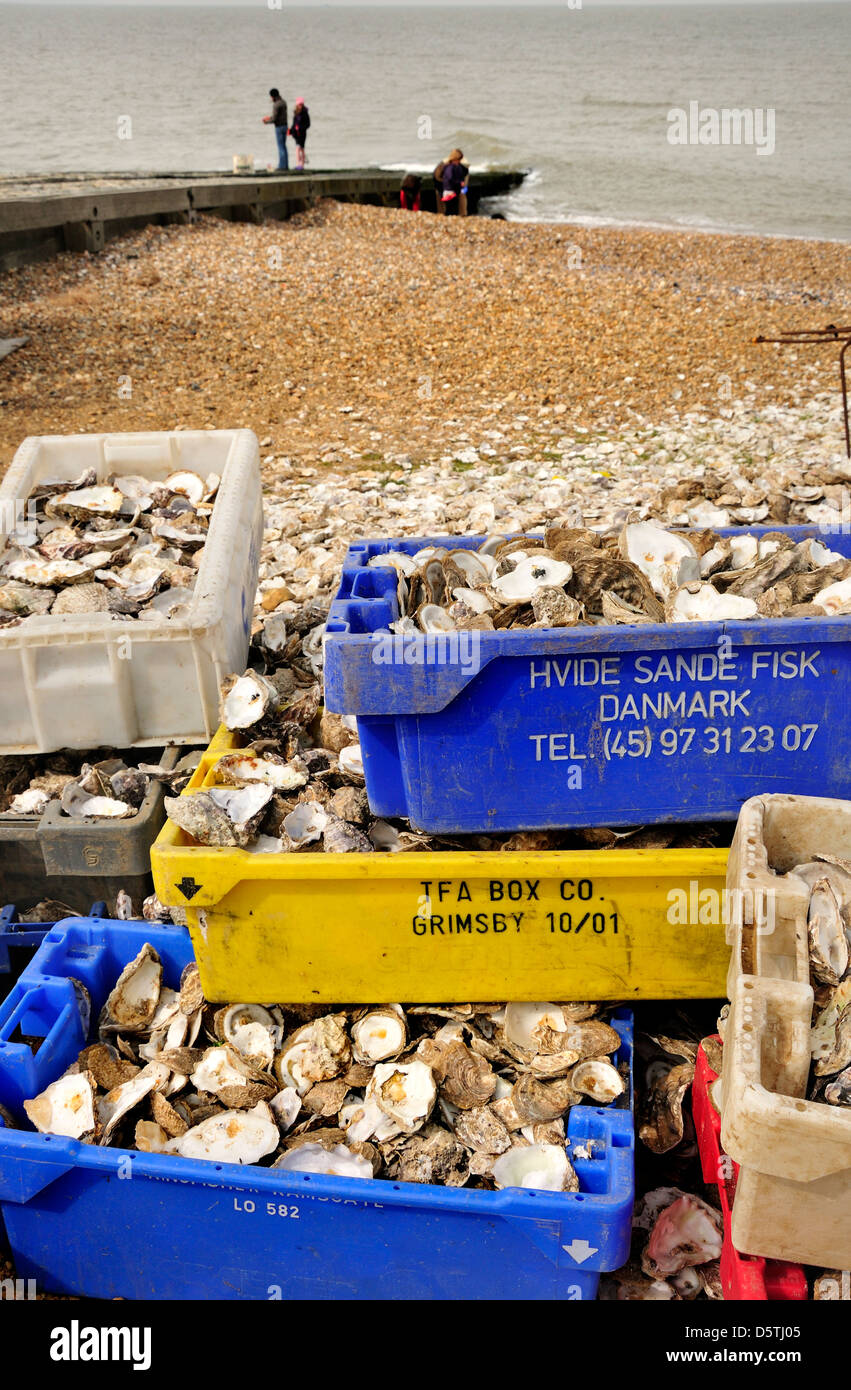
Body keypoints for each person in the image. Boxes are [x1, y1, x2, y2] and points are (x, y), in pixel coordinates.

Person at [262, 88, 289, 171]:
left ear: (273, 96)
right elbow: (279, 116)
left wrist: (266, 121)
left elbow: (274, 119)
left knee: (280, 147)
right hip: (285, 126)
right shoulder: (284, 102)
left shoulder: (276, 104)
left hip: (279, 127)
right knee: (284, 147)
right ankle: (285, 165)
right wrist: (270, 118)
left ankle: (282, 166)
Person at [441, 149, 469, 216]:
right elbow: (450, 178)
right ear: (455, 159)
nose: (459, 161)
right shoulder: (450, 167)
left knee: (452, 208)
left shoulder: (452, 166)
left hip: (451, 189)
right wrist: (459, 183)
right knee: (451, 209)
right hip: (449, 190)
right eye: (458, 160)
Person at [290, 98, 311, 171]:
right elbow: (294, 124)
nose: (300, 106)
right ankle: (299, 164)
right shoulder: (296, 112)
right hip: (296, 134)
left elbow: (308, 125)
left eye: (301, 104)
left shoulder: (305, 113)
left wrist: (300, 128)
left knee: (300, 148)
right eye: (299, 104)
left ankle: (301, 164)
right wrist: (291, 130)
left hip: (302, 133)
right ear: (297, 105)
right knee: (299, 148)